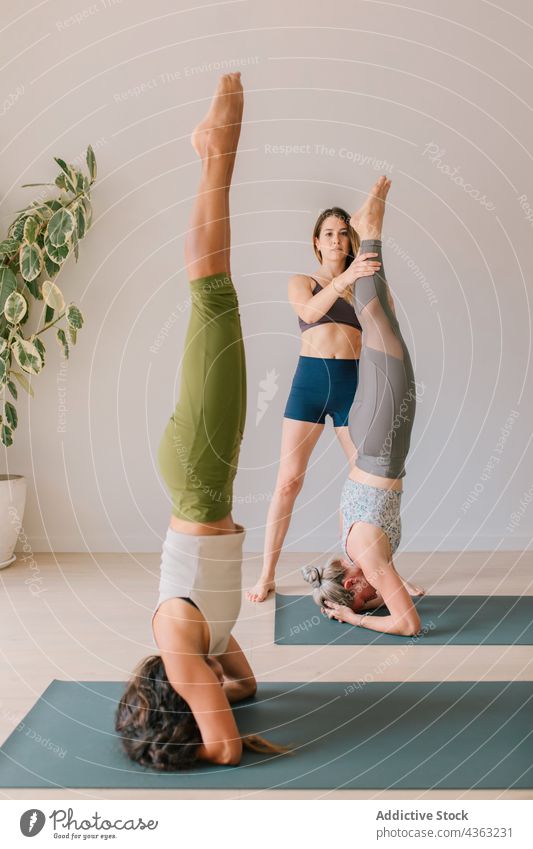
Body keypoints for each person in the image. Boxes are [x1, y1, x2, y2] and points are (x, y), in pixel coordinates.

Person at [116, 73, 287, 769]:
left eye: (196, 691)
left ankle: (218, 152)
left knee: (212, 297)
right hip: (204, 476)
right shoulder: (209, 645)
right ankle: (216, 149)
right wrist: (222, 681)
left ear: (178, 694)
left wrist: (205, 690)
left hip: (200, 476)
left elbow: (222, 747)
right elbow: (246, 686)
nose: (214, 685)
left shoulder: (181, 643)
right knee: (217, 303)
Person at [302, 176, 424, 637]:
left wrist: (352, 616)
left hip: (379, 438)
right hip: (376, 437)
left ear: (353, 582)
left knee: (378, 326)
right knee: (383, 326)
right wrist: (391, 580)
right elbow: (376, 570)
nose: (373, 599)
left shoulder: (365, 556)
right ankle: (370, 231)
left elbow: (410, 625)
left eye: (364, 598)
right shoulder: (353, 546)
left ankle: (370, 231)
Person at [247, 207, 384, 602]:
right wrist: (345, 277)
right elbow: (308, 312)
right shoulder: (302, 281)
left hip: (350, 384)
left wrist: (368, 280)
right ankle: (267, 574)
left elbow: (382, 326)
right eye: (328, 233)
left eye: (343, 233)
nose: (336, 240)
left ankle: (376, 574)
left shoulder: (362, 284)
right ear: (316, 241)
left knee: (368, 482)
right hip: (310, 383)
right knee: (288, 482)